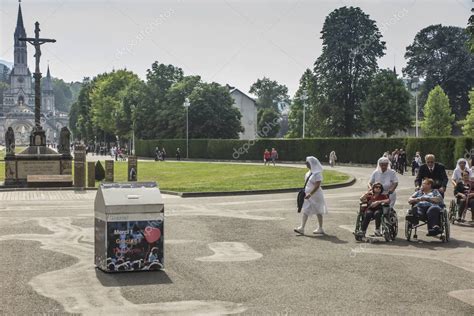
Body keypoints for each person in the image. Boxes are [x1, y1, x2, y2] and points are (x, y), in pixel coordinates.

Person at [294, 156, 327, 235]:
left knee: (318, 211)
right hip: (308, 195)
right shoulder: (309, 172)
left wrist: (311, 194)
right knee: (306, 210)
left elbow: (317, 185)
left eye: (307, 162)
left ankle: (319, 228)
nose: (306, 164)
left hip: (315, 196)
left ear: (312, 163)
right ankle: (302, 228)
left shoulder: (317, 173)